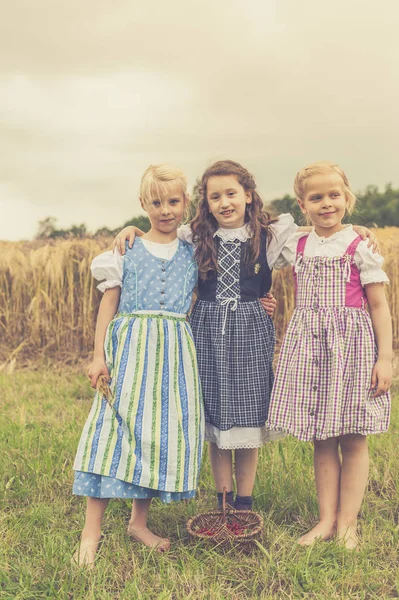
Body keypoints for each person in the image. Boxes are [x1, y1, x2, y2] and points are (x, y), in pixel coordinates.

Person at [114, 160, 376, 514]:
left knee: (249, 413)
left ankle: (245, 500)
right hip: (205, 330)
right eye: (215, 196)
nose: (225, 203)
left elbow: (316, 233)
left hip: (251, 329)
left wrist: (353, 227)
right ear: (205, 203)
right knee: (216, 415)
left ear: (248, 195)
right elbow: (160, 238)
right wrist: (131, 227)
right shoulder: (195, 237)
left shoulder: (268, 235)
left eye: (232, 194)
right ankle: (223, 500)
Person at [73, 164, 204, 566]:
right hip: (130, 347)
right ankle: (90, 534)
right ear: (142, 203)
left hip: (174, 350)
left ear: (185, 202)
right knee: (111, 430)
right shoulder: (126, 249)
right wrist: (99, 355)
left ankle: (138, 523)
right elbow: (108, 303)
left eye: (173, 201)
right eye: (156, 202)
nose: (165, 210)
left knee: (158, 433)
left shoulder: (193, 249)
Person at [267, 161, 392, 549]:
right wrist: (303, 227)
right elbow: (267, 228)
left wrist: (385, 358)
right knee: (322, 436)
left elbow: (378, 306)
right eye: (316, 197)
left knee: (353, 437)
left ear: (347, 197)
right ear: (302, 205)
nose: (326, 203)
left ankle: (348, 525)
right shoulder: (297, 244)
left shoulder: (359, 245)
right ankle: (325, 520)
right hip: (309, 348)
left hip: (351, 348)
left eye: (334, 195)